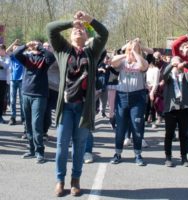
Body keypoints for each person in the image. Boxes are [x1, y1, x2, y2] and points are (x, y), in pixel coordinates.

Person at [46, 11, 108, 196]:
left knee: (79, 146)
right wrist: (71, 22)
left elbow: (103, 33)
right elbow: (50, 29)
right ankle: (60, 180)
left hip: (82, 107)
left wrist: (88, 20)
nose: (78, 31)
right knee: (61, 145)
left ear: (87, 36)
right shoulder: (63, 50)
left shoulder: (92, 52)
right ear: (70, 35)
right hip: (65, 106)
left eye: (82, 30)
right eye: (75, 30)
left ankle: (76, 180)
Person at [13, 39, 55, 163]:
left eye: (36, 45)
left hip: (40, 95)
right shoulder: (26, 57)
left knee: (37, 123)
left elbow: (51, 57)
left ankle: (40, 152)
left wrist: (40, 47)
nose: (34, 46)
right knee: (27, 123)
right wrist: (26, 45)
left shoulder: (44, 58)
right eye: (34, 45)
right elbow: (15, 53)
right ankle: (31, 149)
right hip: (26, 93)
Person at [110, 39, 148, 166]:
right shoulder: (122, 62)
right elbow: (112, 61)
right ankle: (118, 153)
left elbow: (144, 66)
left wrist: (136, 52)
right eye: (129, 50)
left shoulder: (140, 62)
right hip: (122, 97)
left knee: (136, 126)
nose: (131, 52)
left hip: (137, 97)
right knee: (120, 127)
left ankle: (138, 154)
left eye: (134, 50)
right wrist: (126, 52)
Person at [163, 56, 188, 167]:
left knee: (184, 134)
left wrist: (186, 64)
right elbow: (164, 74)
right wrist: (172, 64)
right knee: (169, 134)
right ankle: (168, 157)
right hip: (171, 109)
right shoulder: (169, 78)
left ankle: (184, 157)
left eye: (178, 63)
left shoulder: (185, 76)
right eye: (174, 64)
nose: (176, 65)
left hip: (184, 108)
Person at [6, 40, 25, 126]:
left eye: (17, 48)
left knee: (22, 101)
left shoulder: (23, 56)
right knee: (12, 100)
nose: (15, 50)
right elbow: (6, 51)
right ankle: (12, 117)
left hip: (22, 80)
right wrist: (13, 43)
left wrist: (20, 47)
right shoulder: (12, 56)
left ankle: (23, 118)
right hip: (13, 79)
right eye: (14, 49)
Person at [0, 44, 10, 124]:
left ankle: (0, 116)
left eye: (1, 49)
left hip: (3, 81)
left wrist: (0, 62)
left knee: (1, 99)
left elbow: (6, 66)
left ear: (4, 50)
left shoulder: (7, 57)